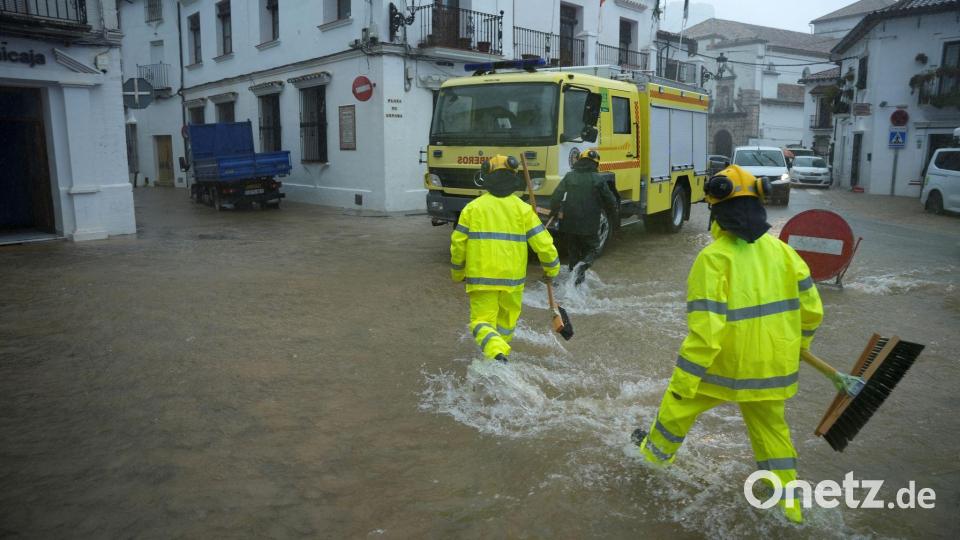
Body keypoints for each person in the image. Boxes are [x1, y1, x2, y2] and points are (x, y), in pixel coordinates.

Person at [631, 164, 823, 524]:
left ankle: (650, 462)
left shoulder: (713, 258)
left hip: (723, 367)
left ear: (717, 212)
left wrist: (684, 383)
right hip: (772, 370)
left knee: (676, 412)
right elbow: (812, 311)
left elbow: (706, 333)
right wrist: (800, 346)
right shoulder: (784, 253)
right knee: (773, 436)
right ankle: (790, 511)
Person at [450, 155, 560, 362]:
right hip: (512, 281)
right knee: (506, 324)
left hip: (481, 279)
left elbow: (458, 244)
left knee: (481, 322)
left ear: (487, 177)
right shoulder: (523, 209)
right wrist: (552, 269)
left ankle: (495, 353)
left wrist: (457, 273)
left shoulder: (473, 208)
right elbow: (544, 244)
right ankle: (499, 356)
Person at [549, 149, 618, 286]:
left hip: (568, 224)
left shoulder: (569, 176)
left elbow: (556, 196)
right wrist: (614, 215)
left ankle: (574, 284)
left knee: (573, 253)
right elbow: (611, 201)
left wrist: (554, 212)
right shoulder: (598, 179)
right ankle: (583, 266)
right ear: (595, 164)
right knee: (593, 248)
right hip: (589, 225)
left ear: (580, 161)